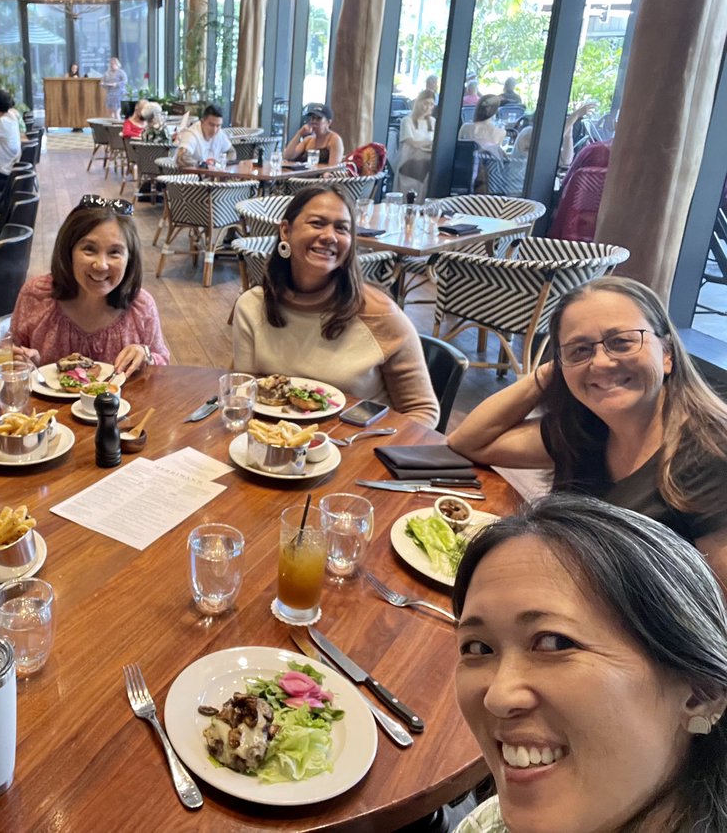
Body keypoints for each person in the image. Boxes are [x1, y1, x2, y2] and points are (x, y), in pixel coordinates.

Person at [453, 494, 727, 833]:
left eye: (554, 642)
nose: (498, 696)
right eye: (478, 648)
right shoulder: (487, 824)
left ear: (701, 693)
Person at [448, 276, 727, 579]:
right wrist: (554, 371)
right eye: (580, 350)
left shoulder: (711, 453)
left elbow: (716, 613)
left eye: (621, 342)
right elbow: (469, 441)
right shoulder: (588, 429)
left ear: (667, 353)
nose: (602, 363)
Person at [231, 186, 439, 427]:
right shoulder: (252, 306)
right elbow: (244, 393)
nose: (330, 235)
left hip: (361, 448)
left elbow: (422, 410)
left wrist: (368, 451)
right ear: (286, 231)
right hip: (273, 450)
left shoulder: (380, 314)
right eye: (318, 223)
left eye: (341, 228)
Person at [11, 196, 171, 376]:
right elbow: (7, 359)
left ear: (130, 259)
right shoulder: (35, 295)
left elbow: (162, 365)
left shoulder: (141, 306)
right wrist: (26, 364)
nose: (101, 264)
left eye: (114, 252)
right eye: (89, 249)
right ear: (68, 250)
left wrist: (145, 355)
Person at [394, 89, 436, 194]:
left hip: (426, 162)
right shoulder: (407, 121)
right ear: (418, 103)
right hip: (410, 163)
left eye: (431, 104)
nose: (428, 107)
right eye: (426, 103)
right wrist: (429, 142)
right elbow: (412, 142)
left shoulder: (432, 122)